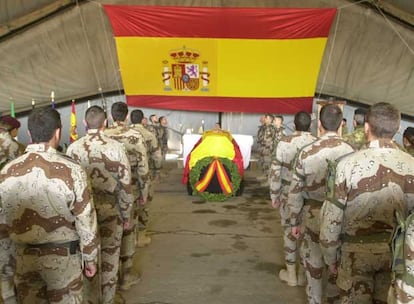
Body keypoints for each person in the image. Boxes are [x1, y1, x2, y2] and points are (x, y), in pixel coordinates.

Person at [0, 107, 99, 303]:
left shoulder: (7, 172)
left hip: (23, 259)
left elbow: (3, 224)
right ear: (58, 132)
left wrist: (6, 266)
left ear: (29, 134)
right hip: (64, 261)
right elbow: (85, 218)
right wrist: (90, 258)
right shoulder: (72, 170)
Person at [320, 102, 414, 303]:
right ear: (397, 129)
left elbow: (332, 218)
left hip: (354, 254)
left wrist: (331, 258)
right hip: (396, 256)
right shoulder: (412, 165)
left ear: (366, 128)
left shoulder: (347, 164)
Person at [287, 104, 355, 304]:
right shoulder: (352, 151)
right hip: (341, 218)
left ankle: (314, 300)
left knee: (313, 263)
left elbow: (295, 191)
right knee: (336, 264)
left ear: (320, 125)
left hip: (312, 215)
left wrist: (294, 221)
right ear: (341, 124)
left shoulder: (307, 152)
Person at [66, 106, 134, 303]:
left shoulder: (73, 148)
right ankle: (108, 299)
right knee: (110, 259)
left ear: (85, 123)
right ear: (105, 123)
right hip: (111, 211)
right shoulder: (116, 147)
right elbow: (125, 185)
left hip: (82, 214)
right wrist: (127, 214)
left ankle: (89, 299)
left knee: (87, 259)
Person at [104, 102, 149, 290]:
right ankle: (126, 275)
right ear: (127, 116)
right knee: (128, 228)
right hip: (130, 189)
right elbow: (143, 167)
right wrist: (145, 192)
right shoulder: (134, 136)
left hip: (104, 194)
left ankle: (107, 281)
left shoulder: (103, 136)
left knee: (106, 235)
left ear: (111, 116)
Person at [269, 111, 316, 287]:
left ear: (294, 125)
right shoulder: (316, 143)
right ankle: (303, 275)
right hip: (310, 196)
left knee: (289, 231)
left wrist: (274, 194)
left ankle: (291, 276)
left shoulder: (284, 142)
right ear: (310, 125)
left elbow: (275, 171)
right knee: (306, 235)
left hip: (288, 194)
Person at [130, 109, 162, 247]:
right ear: (142, 119)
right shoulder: (149, 134)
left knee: (127, 204)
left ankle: (129, 236)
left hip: (124, 177)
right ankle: (141, 236)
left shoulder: (121, 135)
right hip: (143, 174)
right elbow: (157, 156)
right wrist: (157, 170)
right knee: (143, 203)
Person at [256, 113, 275, 183]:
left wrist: (272, 148)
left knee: (268, 163)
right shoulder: (264, 127)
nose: (265, 119)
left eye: (266, 118)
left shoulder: (272, 128)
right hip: (263, 148)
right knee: (263, 162)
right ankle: (264, 175)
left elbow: (274, 139)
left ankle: (268, 181)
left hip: (268, 149)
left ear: (270, 119)